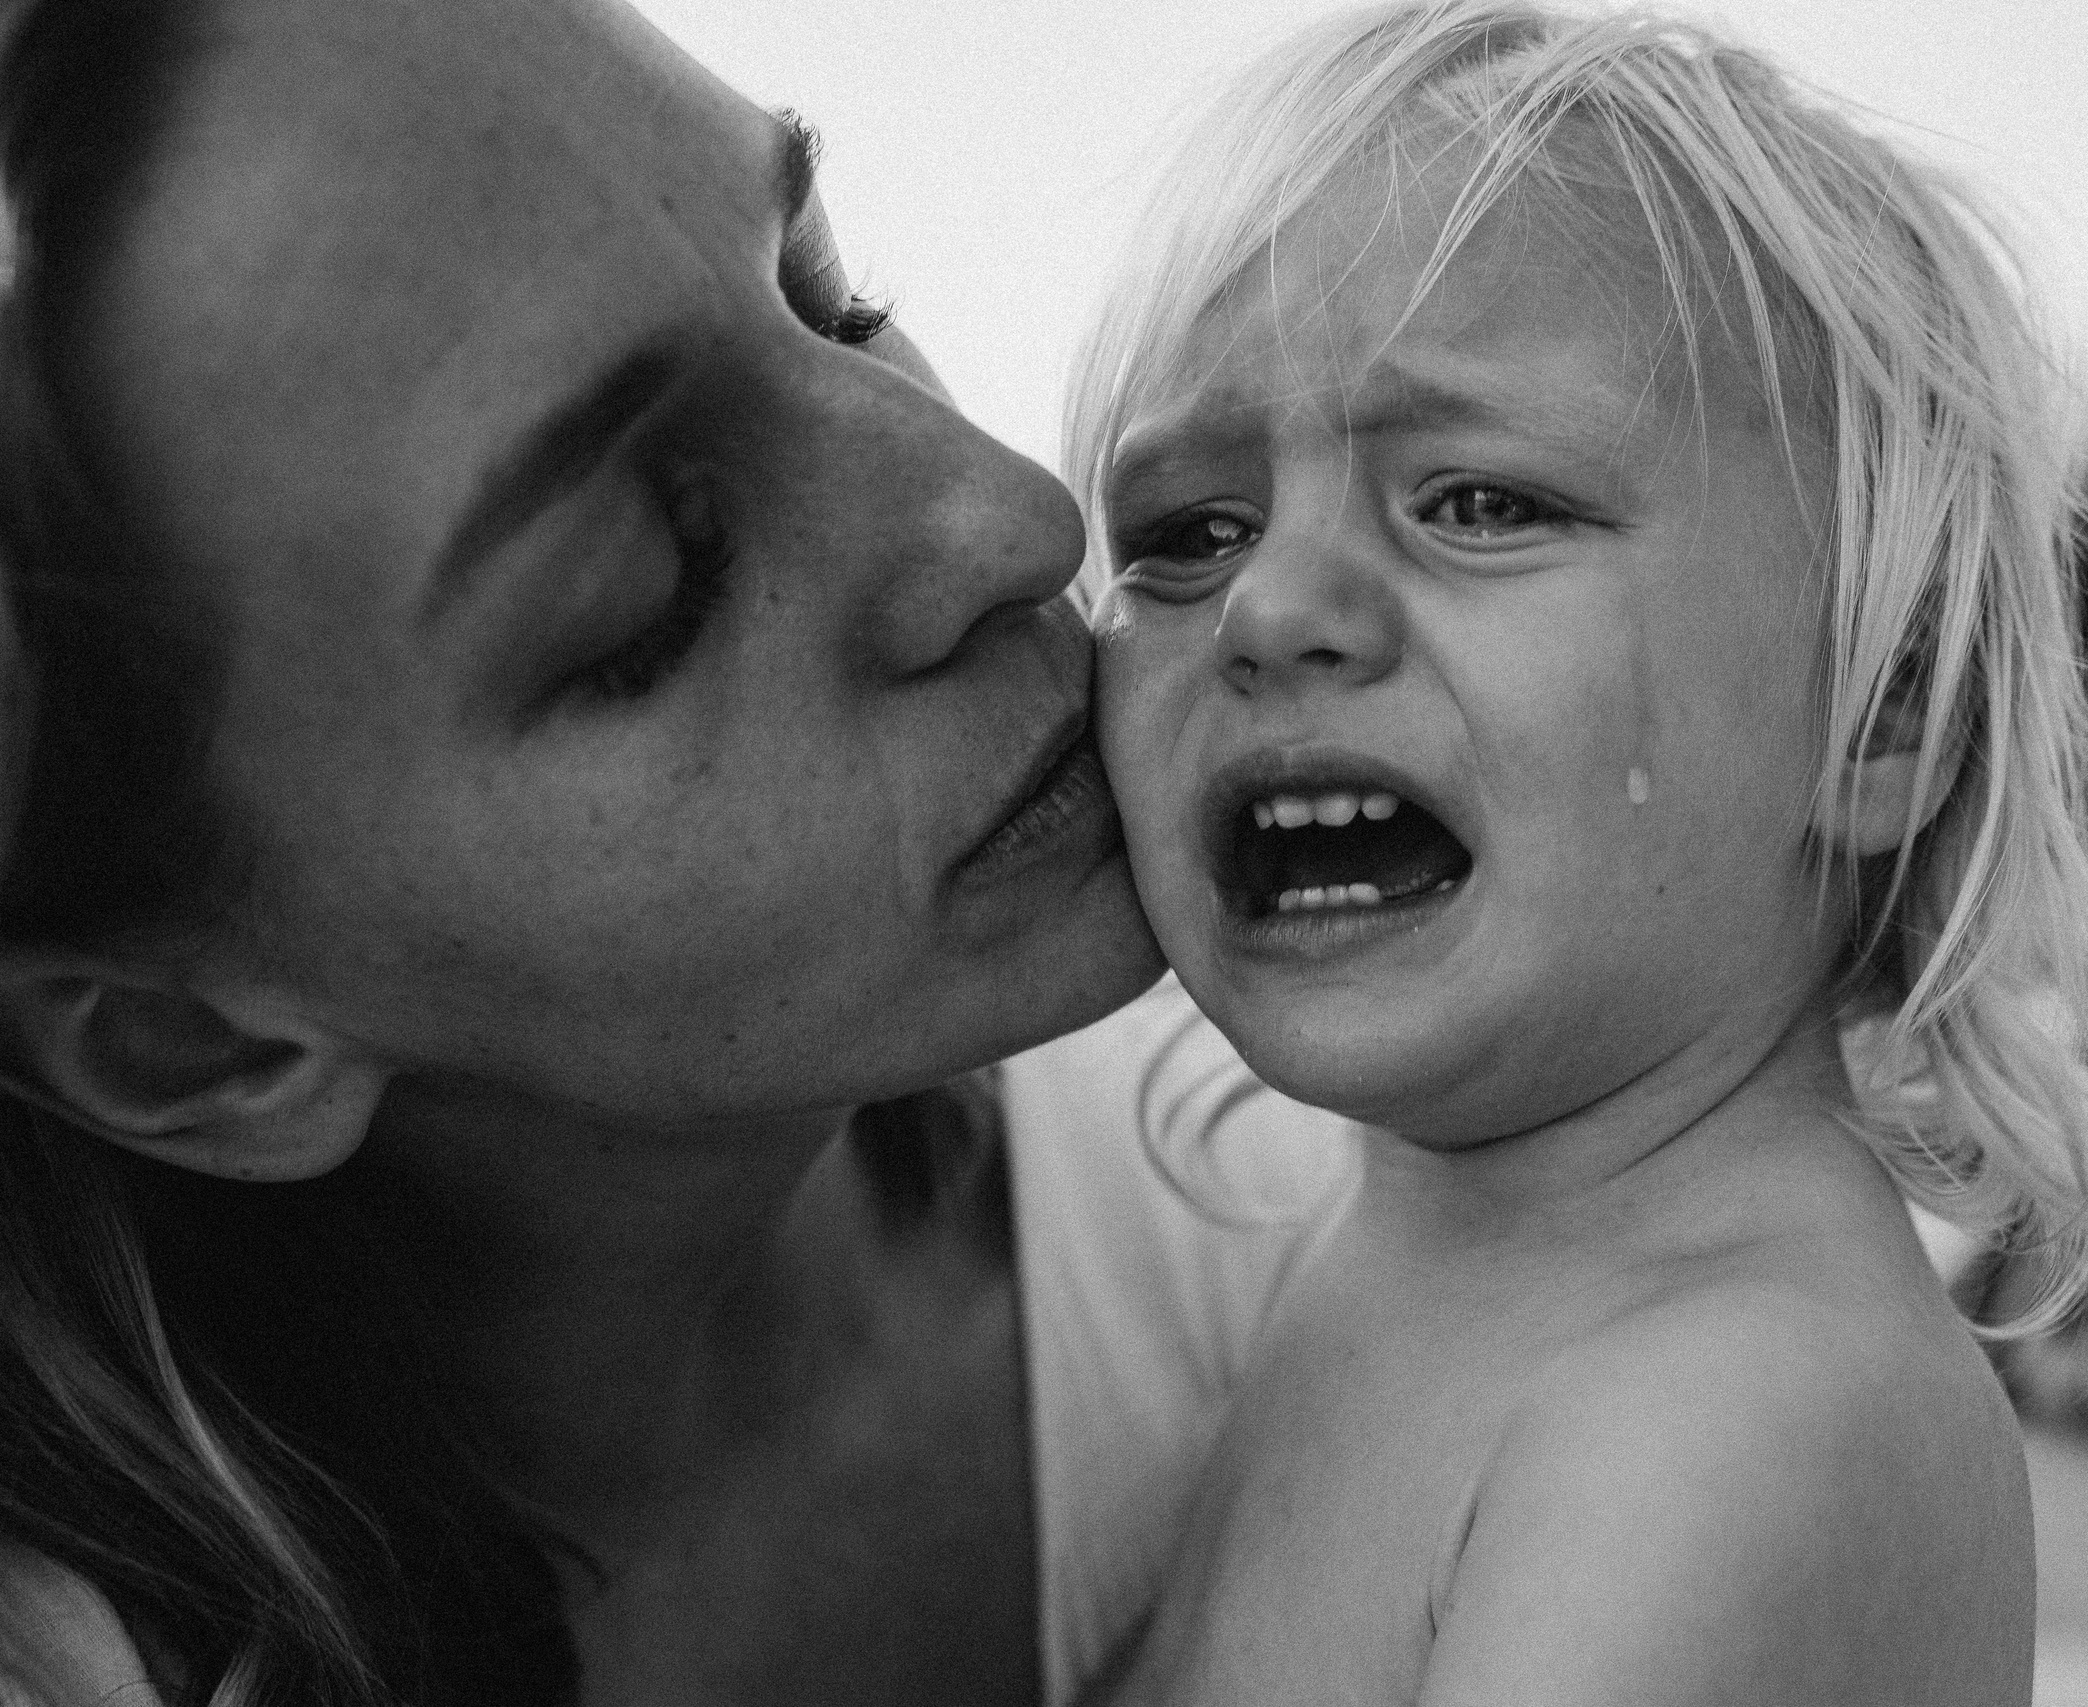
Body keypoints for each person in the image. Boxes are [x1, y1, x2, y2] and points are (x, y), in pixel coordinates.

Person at [0, 0, 1347, 1702]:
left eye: (832, 299)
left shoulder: (1426, 1171)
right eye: (651, 596)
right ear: (193, 1043)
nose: (1017, 516)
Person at [1066, 4, 2088, 1700]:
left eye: (1477, 503)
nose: (1270, 608)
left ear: (1883, 712)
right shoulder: (1435, 1250)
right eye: (1187, 535)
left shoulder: (1734, 1418)